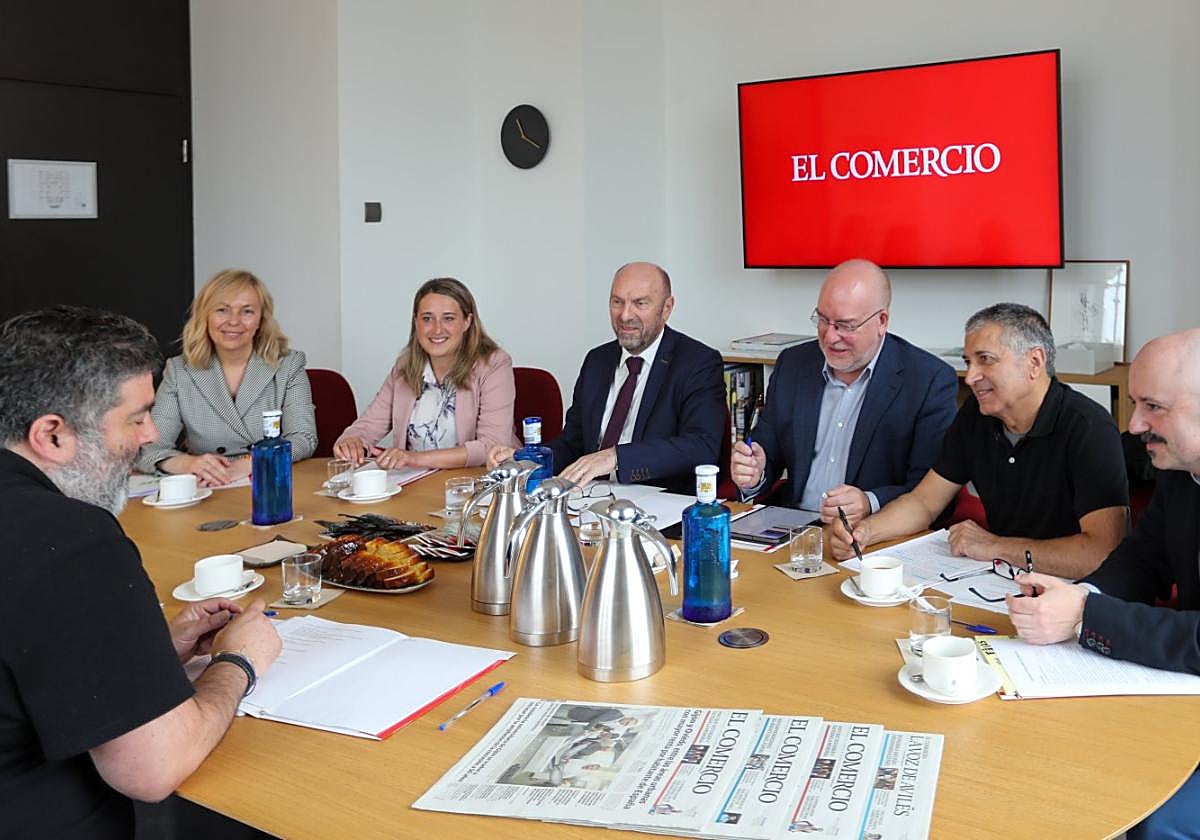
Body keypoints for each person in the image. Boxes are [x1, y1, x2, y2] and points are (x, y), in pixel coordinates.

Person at [0, 306, 281, 838]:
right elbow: (151, 768)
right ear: (52, 435)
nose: (150, 435)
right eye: (136, 417)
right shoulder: (72, 539)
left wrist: (150, 652)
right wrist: (236, 661)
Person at [1006, 329, 1200, 840]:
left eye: (1154, 407)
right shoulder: (1181, 470)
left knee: (1148, 818)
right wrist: (1079, 596)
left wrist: (1087, 617)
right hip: (1185, 694)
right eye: (1135, 403)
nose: (1134, 425)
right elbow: (1142, 559)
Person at [831, 303, 1128, 578]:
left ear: (1035, 362)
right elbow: (924, 502)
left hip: (1073, 594)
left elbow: (1100, 553)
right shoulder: (977, 414)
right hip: (1004, 580)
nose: (971, 376)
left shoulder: (1089, 428)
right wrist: (866, 532)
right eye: (968, 361)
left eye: (985, 360)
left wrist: (998, 547)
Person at [730, 259, 957, 526]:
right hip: (793, 528)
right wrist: (754, 473)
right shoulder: (793, 364)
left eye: (846, 325)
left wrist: (869, 501)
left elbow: (930, 492)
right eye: (823, 320)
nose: (830, 337)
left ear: (881, 321)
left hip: (871, 535)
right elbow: (766, 451)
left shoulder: (928, 380)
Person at [488, 262, 726, 494]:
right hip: (587, 498)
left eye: (640, 303)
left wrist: (616, 458)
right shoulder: (597, 360)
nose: (625, 315)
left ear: (666, 308)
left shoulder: (697, 362)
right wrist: (527, 459)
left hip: (656, 502)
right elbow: (573, 442)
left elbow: (701, 446)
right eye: (617, 302)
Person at [135, 268, 317, 486]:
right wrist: (187, 464)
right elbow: (149, 447)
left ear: (261, 319)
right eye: (222, 310)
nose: (233, 321)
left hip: (269, 480)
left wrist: (253, 462)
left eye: (247, 311)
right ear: (205, 316)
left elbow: (303, 438)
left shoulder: (288, 365)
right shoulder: (179, 370)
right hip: (208, 486)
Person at [334, 277, 518, 469]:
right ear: (416, 322)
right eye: (427, 318)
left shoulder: (494, 364)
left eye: (448, 318)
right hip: (417, 484)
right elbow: (368, 426)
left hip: (476, 484)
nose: (437, 329)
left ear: (467, 322)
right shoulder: (404, 367)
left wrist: (414, 459)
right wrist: (351, 441)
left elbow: (491, 445)